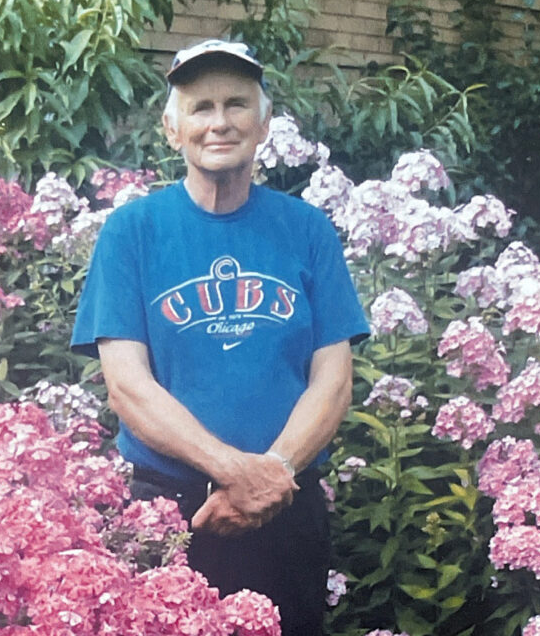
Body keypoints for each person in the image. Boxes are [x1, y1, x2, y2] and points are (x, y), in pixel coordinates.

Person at [71, 39, 369, 636]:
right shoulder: (131, 232)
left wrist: (273, 475)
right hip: (173, 508)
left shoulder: (307, 230)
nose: (219, 122)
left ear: (263, 126)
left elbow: (332, 382)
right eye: (200, 106)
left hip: (288, 505)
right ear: (171, 127)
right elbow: (128, 386)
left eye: (236, 104)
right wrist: (236, 473)